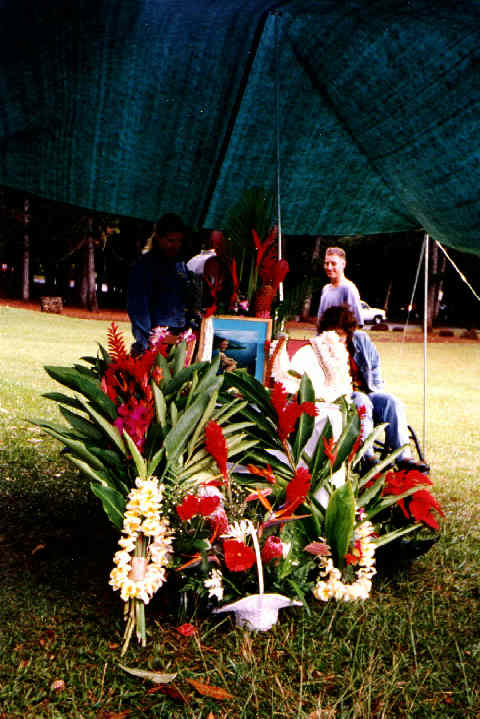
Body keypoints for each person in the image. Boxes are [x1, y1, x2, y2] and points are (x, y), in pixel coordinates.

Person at [318, 306, 429, 473]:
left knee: (391, 401)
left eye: (340, 334)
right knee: (361, 400)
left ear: (348, 333)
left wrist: (376, 390)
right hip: (341, 399)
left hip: (367, 393)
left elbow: (375, 366)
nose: (336, 338)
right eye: (332, 333)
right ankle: (366, 456)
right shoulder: (321, 348)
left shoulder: (361, 340)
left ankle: (403, 457)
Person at [127, 213, 198, 356]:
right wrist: (145, 342)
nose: (176, 246)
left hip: (179, 338)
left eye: (179, 241)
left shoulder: (180, 265)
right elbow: (138, 307)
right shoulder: (144, 266)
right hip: (154, 339)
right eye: (170, 240)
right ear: (158, 237)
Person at [317, 247, 363, 327]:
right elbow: (320, 321)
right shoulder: (326, 289)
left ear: (343, 264)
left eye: (333, 264)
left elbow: (357, 323)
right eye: (327, 263)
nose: (329, 267)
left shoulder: (348, 288)